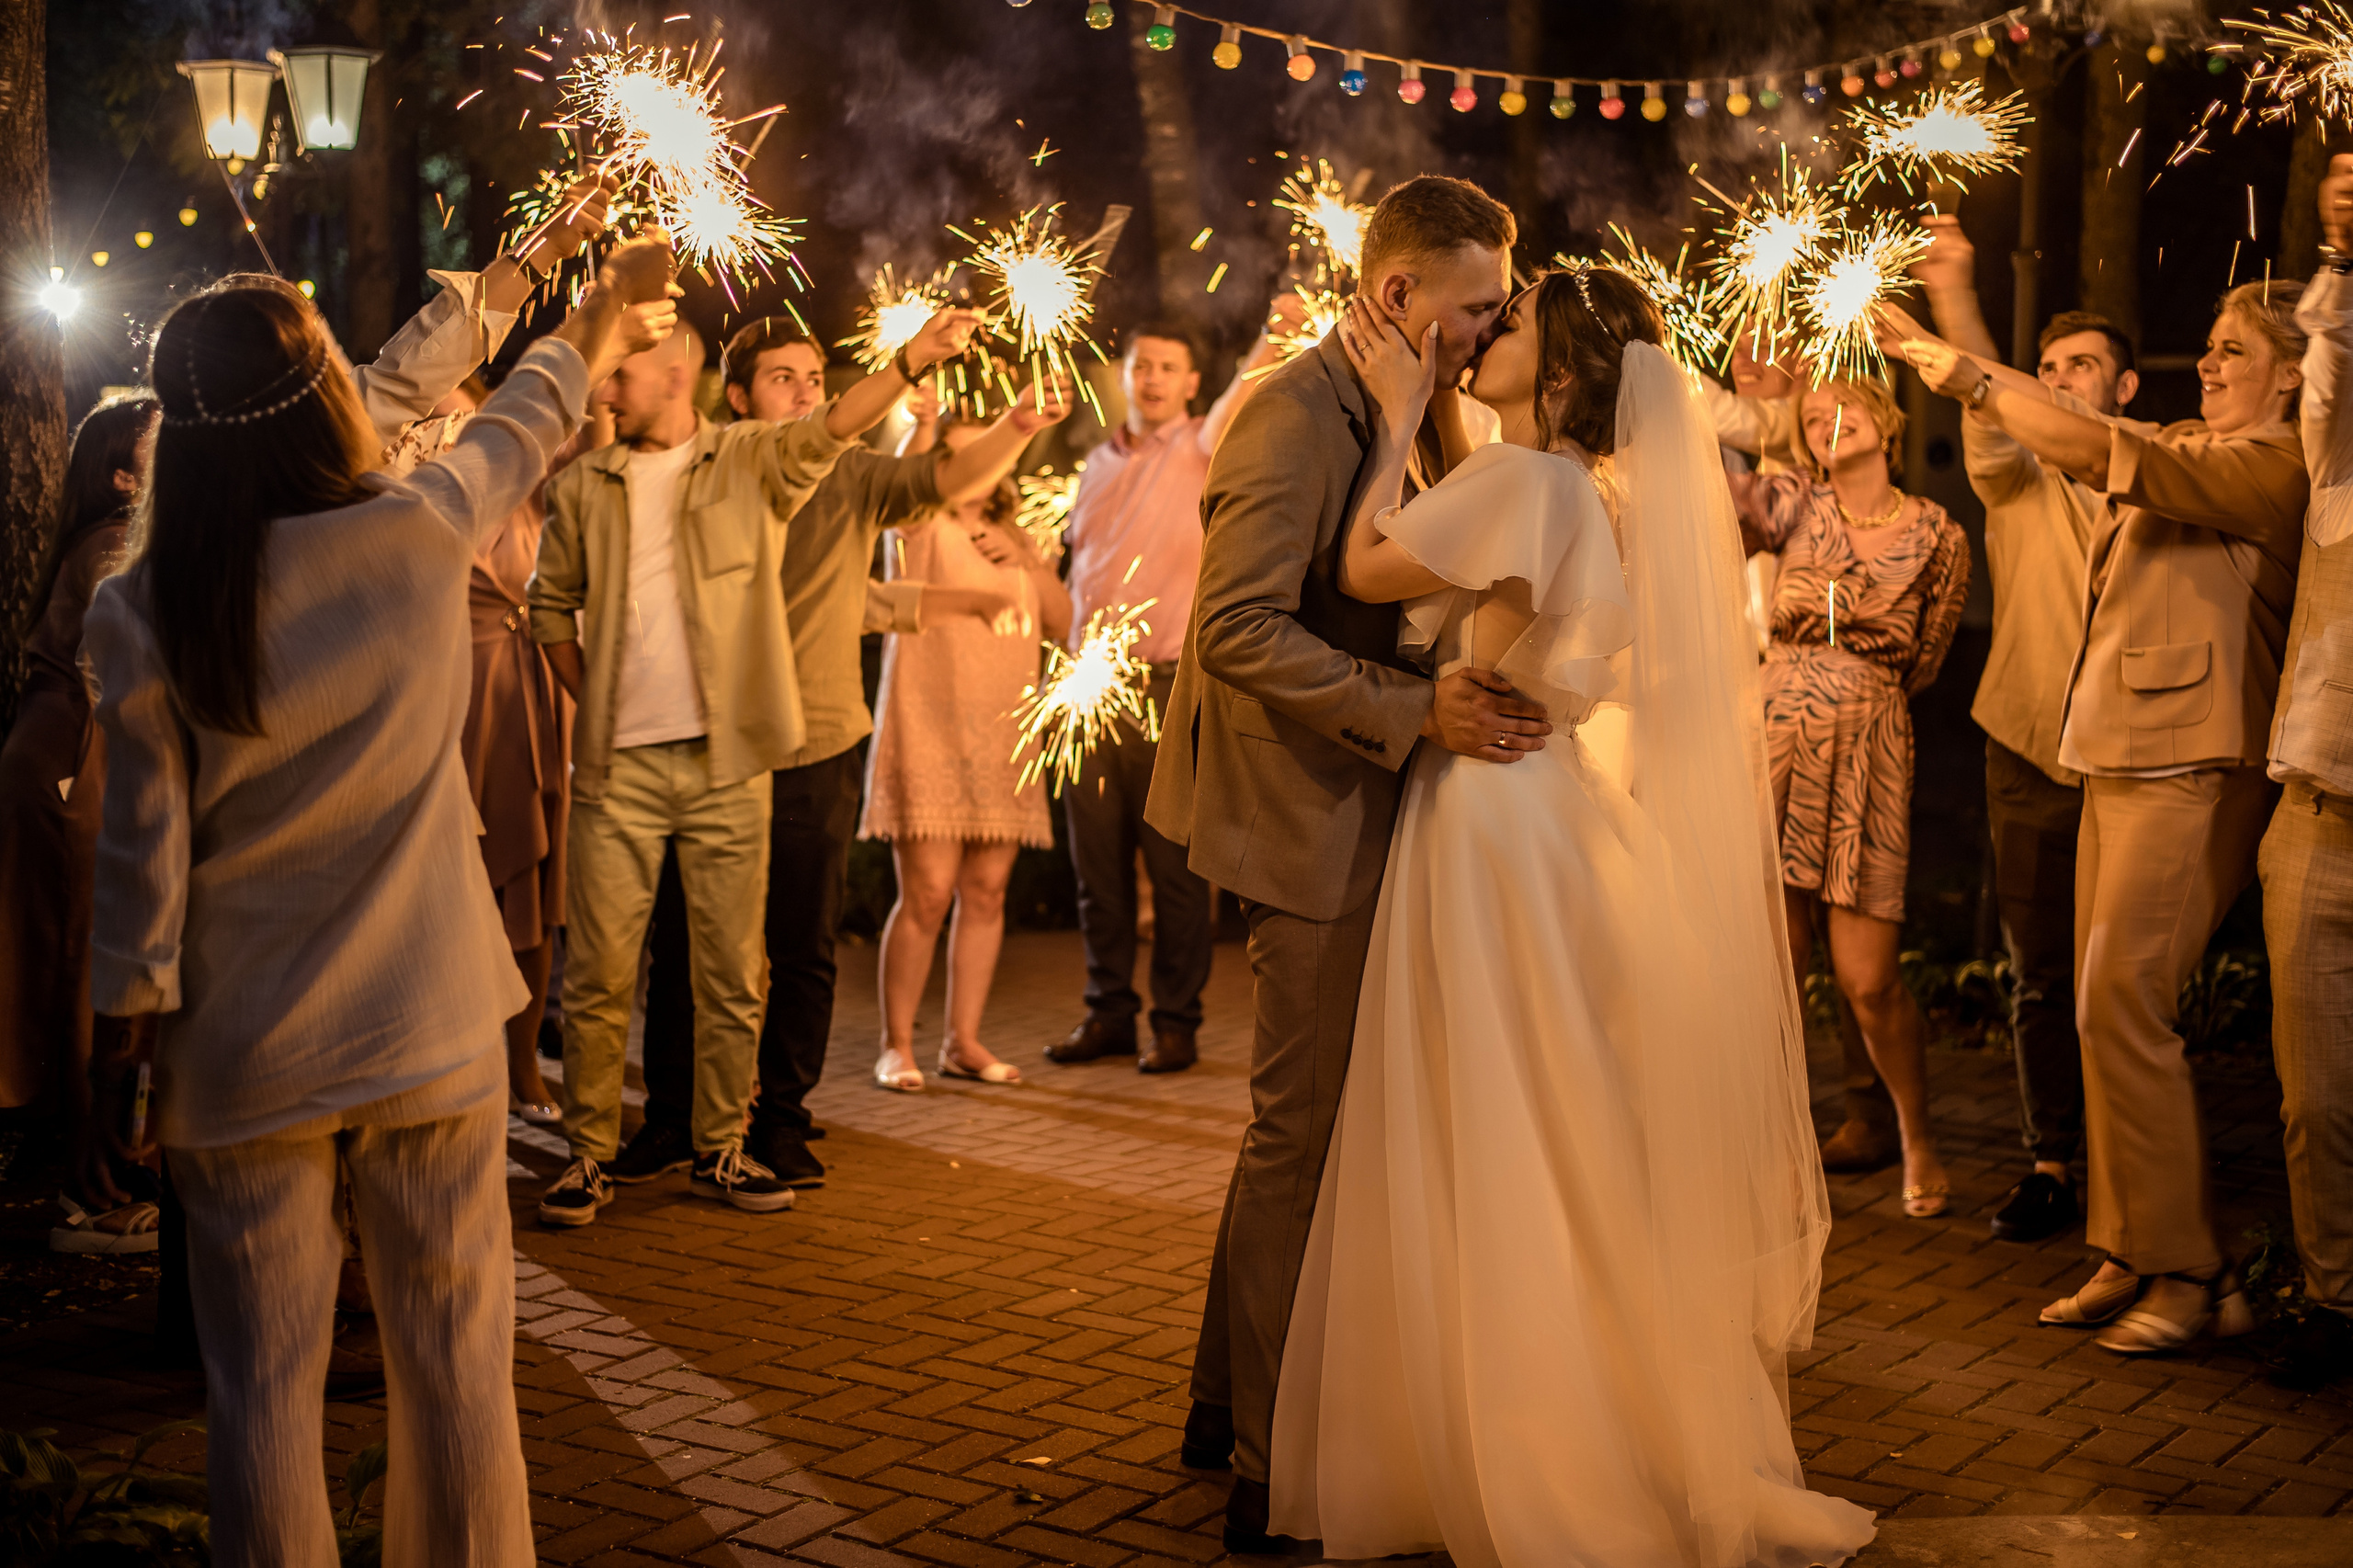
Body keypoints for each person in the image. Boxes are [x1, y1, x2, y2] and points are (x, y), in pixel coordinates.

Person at [78, 191, 668, 1566]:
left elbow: (140, 855)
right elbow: (520, 416)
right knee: (460, 1367)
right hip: (428, 1022)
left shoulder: (146, 602)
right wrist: (601, 306)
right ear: (322, 405)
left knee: (262, 1392)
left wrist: (124, 1034)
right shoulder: (412, 536)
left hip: (244, 1046)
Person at [1267, 260, 1875, 1568]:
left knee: (1484, 1111)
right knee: (1555, 1114)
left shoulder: (1524, 476)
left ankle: (1506, 1439)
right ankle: (1578, 1410)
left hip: (1485, 820)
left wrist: (1386, 414)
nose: (1487, 335)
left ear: (1556, 373)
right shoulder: (1585, 487)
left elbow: (1367, 567)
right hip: (1545, 807)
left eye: (1515, 320)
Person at [1144, 175, 1552, 1553]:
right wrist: (1411, 711)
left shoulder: (1409, 410)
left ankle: (1219, 1405)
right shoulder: (1288, 411)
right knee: (1299, 1135)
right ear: (1399, 294)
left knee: (1305, 1130)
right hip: (1303, 813)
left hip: (1371, 803)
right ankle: (1269, 1471)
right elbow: (1238, 630)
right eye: (1478, 303)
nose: (1494, 327)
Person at [1900, 278, 2309, 1354]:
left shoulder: (2273, 463)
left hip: (2194, 759)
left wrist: (1954, 365)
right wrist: (1966, 342)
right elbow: (2080, 429)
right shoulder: (2184, 434)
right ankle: (2127, 1247)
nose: (2208, 364)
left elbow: (2094, 449)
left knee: (2126, 1004)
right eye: (2208, 346)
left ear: (2294, 373)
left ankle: (2192, 1267)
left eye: (2232, 350)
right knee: (2096, 1011)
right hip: (2115, 751)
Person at [528, 299, 983, 1227]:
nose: (611, 383)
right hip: (637, 759)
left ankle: (740, 1137)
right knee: (621, 962)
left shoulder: (758, 461)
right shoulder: (606, 482)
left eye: (624, 367)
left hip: (759, 747)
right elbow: (550, 607)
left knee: (755, 958)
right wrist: (602, 706)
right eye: (608, 368)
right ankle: (610, 1145)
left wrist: (919, 364)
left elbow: (841, 437)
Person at [620, 323, 1069, 1190]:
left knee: (802, 942)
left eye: (815, 375)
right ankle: (674, 1120)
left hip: (816, 734)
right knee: (683, 939)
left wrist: (1016, 427)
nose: (805, 392)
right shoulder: (713, 466)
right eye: (781, 378)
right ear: (740, 397)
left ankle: (782, 1122)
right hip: (705, 735)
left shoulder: (858, 474)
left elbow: (942, 480)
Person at [1905, 221, 2143, 1244]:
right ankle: (2053, 1160)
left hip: (2136, 759)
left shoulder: (2160, 466)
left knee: (2124, 977)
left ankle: (2133, 1177)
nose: (2057, 381)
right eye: (2043, 369)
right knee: (2040, 969)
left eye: (2080, 367)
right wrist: (1955, 295)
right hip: (2030, 746)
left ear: (2123, 388)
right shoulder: (2014, 476)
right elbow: (1987, 406)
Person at [1731, 374, 1970, 1220]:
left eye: (1845, 408)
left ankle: (1918, 1135)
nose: (1830, 421)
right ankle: (1786, 1144)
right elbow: (1717, 505)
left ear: (1887, 420)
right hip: (1775, 735)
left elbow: (1931, 652)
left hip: (1870, 741)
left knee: (1868, 978)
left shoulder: (1939, 533)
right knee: (1777, 969)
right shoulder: (1791, 499)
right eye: (1814, 416)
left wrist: (1859, 691)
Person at [1048, 309, 1290, 1074]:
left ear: (1191, 384)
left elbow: (1243, 398)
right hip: (1088, 692)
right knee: (1097, 871)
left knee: (1176, 869)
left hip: (1165, 688)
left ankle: (1176, 1024)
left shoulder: (1202, 448)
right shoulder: (1094, 464)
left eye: (1165, 368)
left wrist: (1275, 330)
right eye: (1139, 364)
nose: (1149, 379)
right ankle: (1108, 1014)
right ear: (1122, 375)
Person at [388, 373, 592, 1128]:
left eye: (465, 415)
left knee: (534, 880)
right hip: (449, 685)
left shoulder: (526, 480)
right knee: (450, 878)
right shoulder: (410, 494)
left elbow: (582, 441)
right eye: (435, 419)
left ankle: (522, 1069)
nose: (451, 433)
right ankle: (444, 1064)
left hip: (531, 683)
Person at [860, 415, 1073, 1091]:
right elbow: (907, 470)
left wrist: (1028, 563)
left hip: (1004, 731)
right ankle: (896, 1044)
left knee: (986, 891)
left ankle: (964, 1041)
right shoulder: (919, 523)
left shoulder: (1019, 536)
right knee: (924, 893)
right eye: (962, 453)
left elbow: (1064, 622)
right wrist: (921, 425)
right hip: (931, 722)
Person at [0, 396, 154, 1248]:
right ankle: (88, 1191)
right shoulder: (116, 547)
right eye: (153, 447)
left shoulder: (114, 540)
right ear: (121, 475)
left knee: (88, 957)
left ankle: (90, 1169)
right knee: (84, 961)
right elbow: (112, 676)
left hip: (63, 755)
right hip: (76, 763)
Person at [2261, 153, 2353, 1392]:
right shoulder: (2337, 480)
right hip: (2322, 812)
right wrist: (2341, 249)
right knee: (2315, 1097)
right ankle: (2335, 1295)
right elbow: (2328, 365)